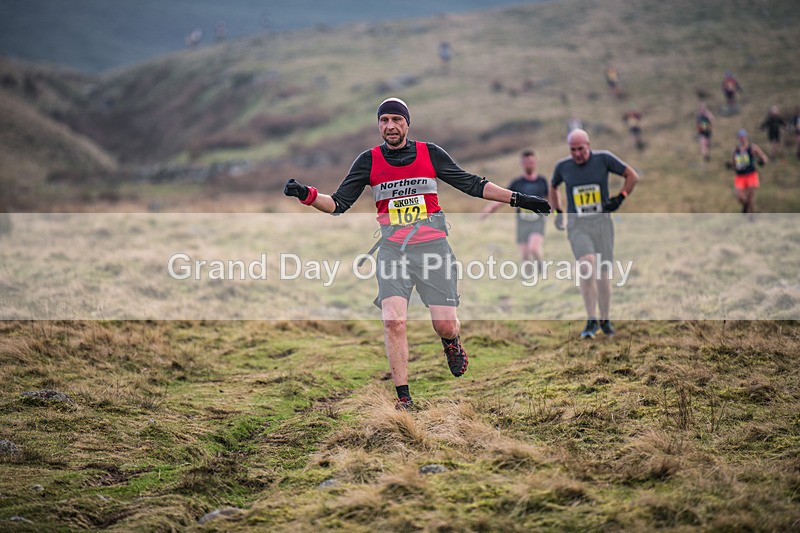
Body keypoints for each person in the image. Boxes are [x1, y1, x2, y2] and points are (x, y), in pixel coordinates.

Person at [284, 97, 551, 409]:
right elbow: (339, 204)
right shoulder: (368, 161)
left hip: (433, 248)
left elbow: (472, 184)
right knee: (393, 321)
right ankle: (404, 398)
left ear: (407, 123)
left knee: (445, 324)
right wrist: (308, 195)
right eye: (384, 121)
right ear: (378, 125)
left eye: (396, 120)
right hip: (392, 251)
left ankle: (451, 342)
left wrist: (519, 199)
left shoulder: (429, 153)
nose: (390, 126)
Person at [548, 129, 639, 339]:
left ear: (588, 145)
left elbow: (631, 175)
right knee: (587, 265)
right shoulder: (563, 166)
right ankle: (590, 320)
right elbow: (553, 186)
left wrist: (621, 197)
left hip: (602, 224)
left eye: (580, 149)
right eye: (573, 150)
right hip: (577, 225)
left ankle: (604, 319)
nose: (577, 154)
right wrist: (558, 211)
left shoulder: (604, 159)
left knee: (603, 276)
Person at [480, 149, 550, 267]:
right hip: (522, 222)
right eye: (526, 162)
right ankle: (529, 279)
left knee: (533, 248)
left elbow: (550, 199)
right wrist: (488, 210)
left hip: (538, 221)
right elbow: (502, 198)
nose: (529, 164)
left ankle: (540, 267)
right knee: (524, 256)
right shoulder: (517, 184)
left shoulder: (542, 181)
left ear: (535, 162)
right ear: (522, 163)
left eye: (531, 162)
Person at [731, 129, 768, 216]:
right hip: (740, 176)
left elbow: (763, 156)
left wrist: (763, 161)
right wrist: (730, 165)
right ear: (738, 139)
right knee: (740, 197)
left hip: (751, 174)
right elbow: (734, 161)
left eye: (744, 137)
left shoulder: (752, 148)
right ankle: (745, 206)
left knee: (750, 196)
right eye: (740, 137)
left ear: (746, 137)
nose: (742, 139)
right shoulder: (736, 150)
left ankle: (751, 216)